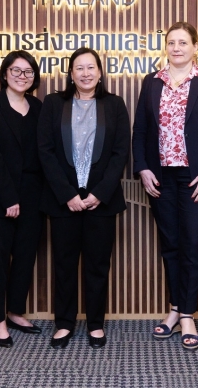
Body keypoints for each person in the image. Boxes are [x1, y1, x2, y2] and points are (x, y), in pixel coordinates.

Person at [132, 22, 198, 350]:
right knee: (170, 244)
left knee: (192, 243)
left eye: (183, 42)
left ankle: (187, 313)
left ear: (195, 47)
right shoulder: (152, 81)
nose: (176, 48)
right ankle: (174, 308)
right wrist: (143, 168)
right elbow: (141, 130)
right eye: (171, 42)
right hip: (161, 177)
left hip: (196, 177)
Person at [38, 47, 130, 350]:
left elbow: (120, 152)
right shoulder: (54, 103)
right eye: (79, 68)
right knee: (64, 265)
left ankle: (95, 324)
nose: (86, 73)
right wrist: (67, 194)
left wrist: (99, 193)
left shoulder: (114, 104)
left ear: (100, 73)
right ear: (71, 73)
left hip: (101, 200)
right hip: (64, 199)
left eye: (91, 67)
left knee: (97, 265)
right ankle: (64, 323)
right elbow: (45, 151)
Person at [0, 51, 45, 348]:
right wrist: (8, 198)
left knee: (25, 256)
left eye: (28, 72)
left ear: (34, 77)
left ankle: (15, 310)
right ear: (4, 73)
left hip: (33, 194)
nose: (21, 76)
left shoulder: (38, 107)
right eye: (16, 70)